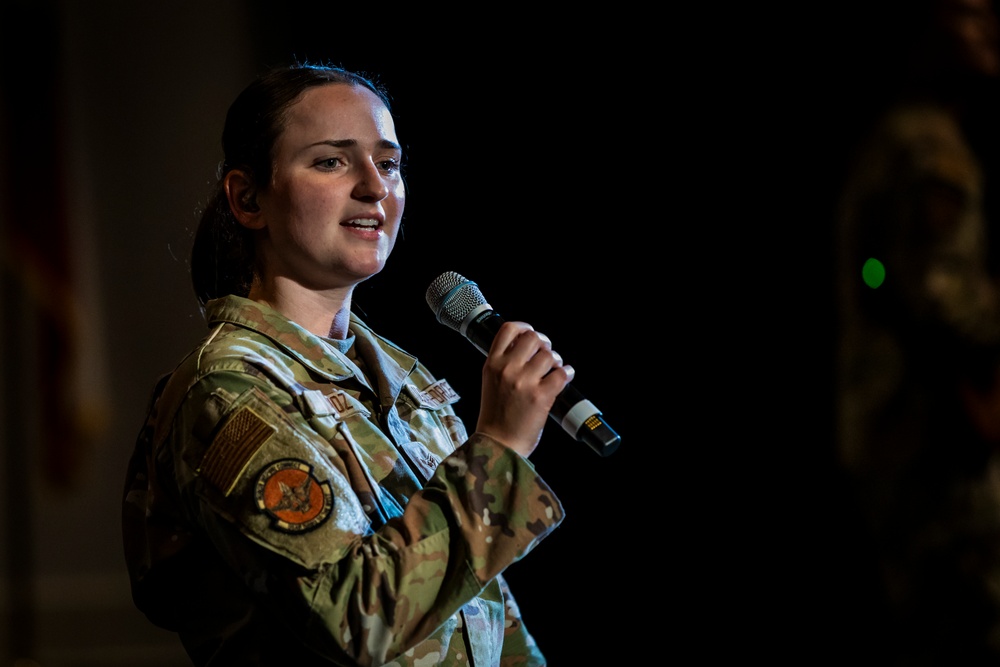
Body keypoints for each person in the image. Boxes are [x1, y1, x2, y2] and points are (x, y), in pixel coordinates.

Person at [121, 61, 571, 666]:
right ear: (248, 198)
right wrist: (497, 449)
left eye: (387, 163)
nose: (375, 186)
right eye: (331, 161)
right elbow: (355, 618)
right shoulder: (229, 390)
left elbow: (481, 610)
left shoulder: (404, 380)